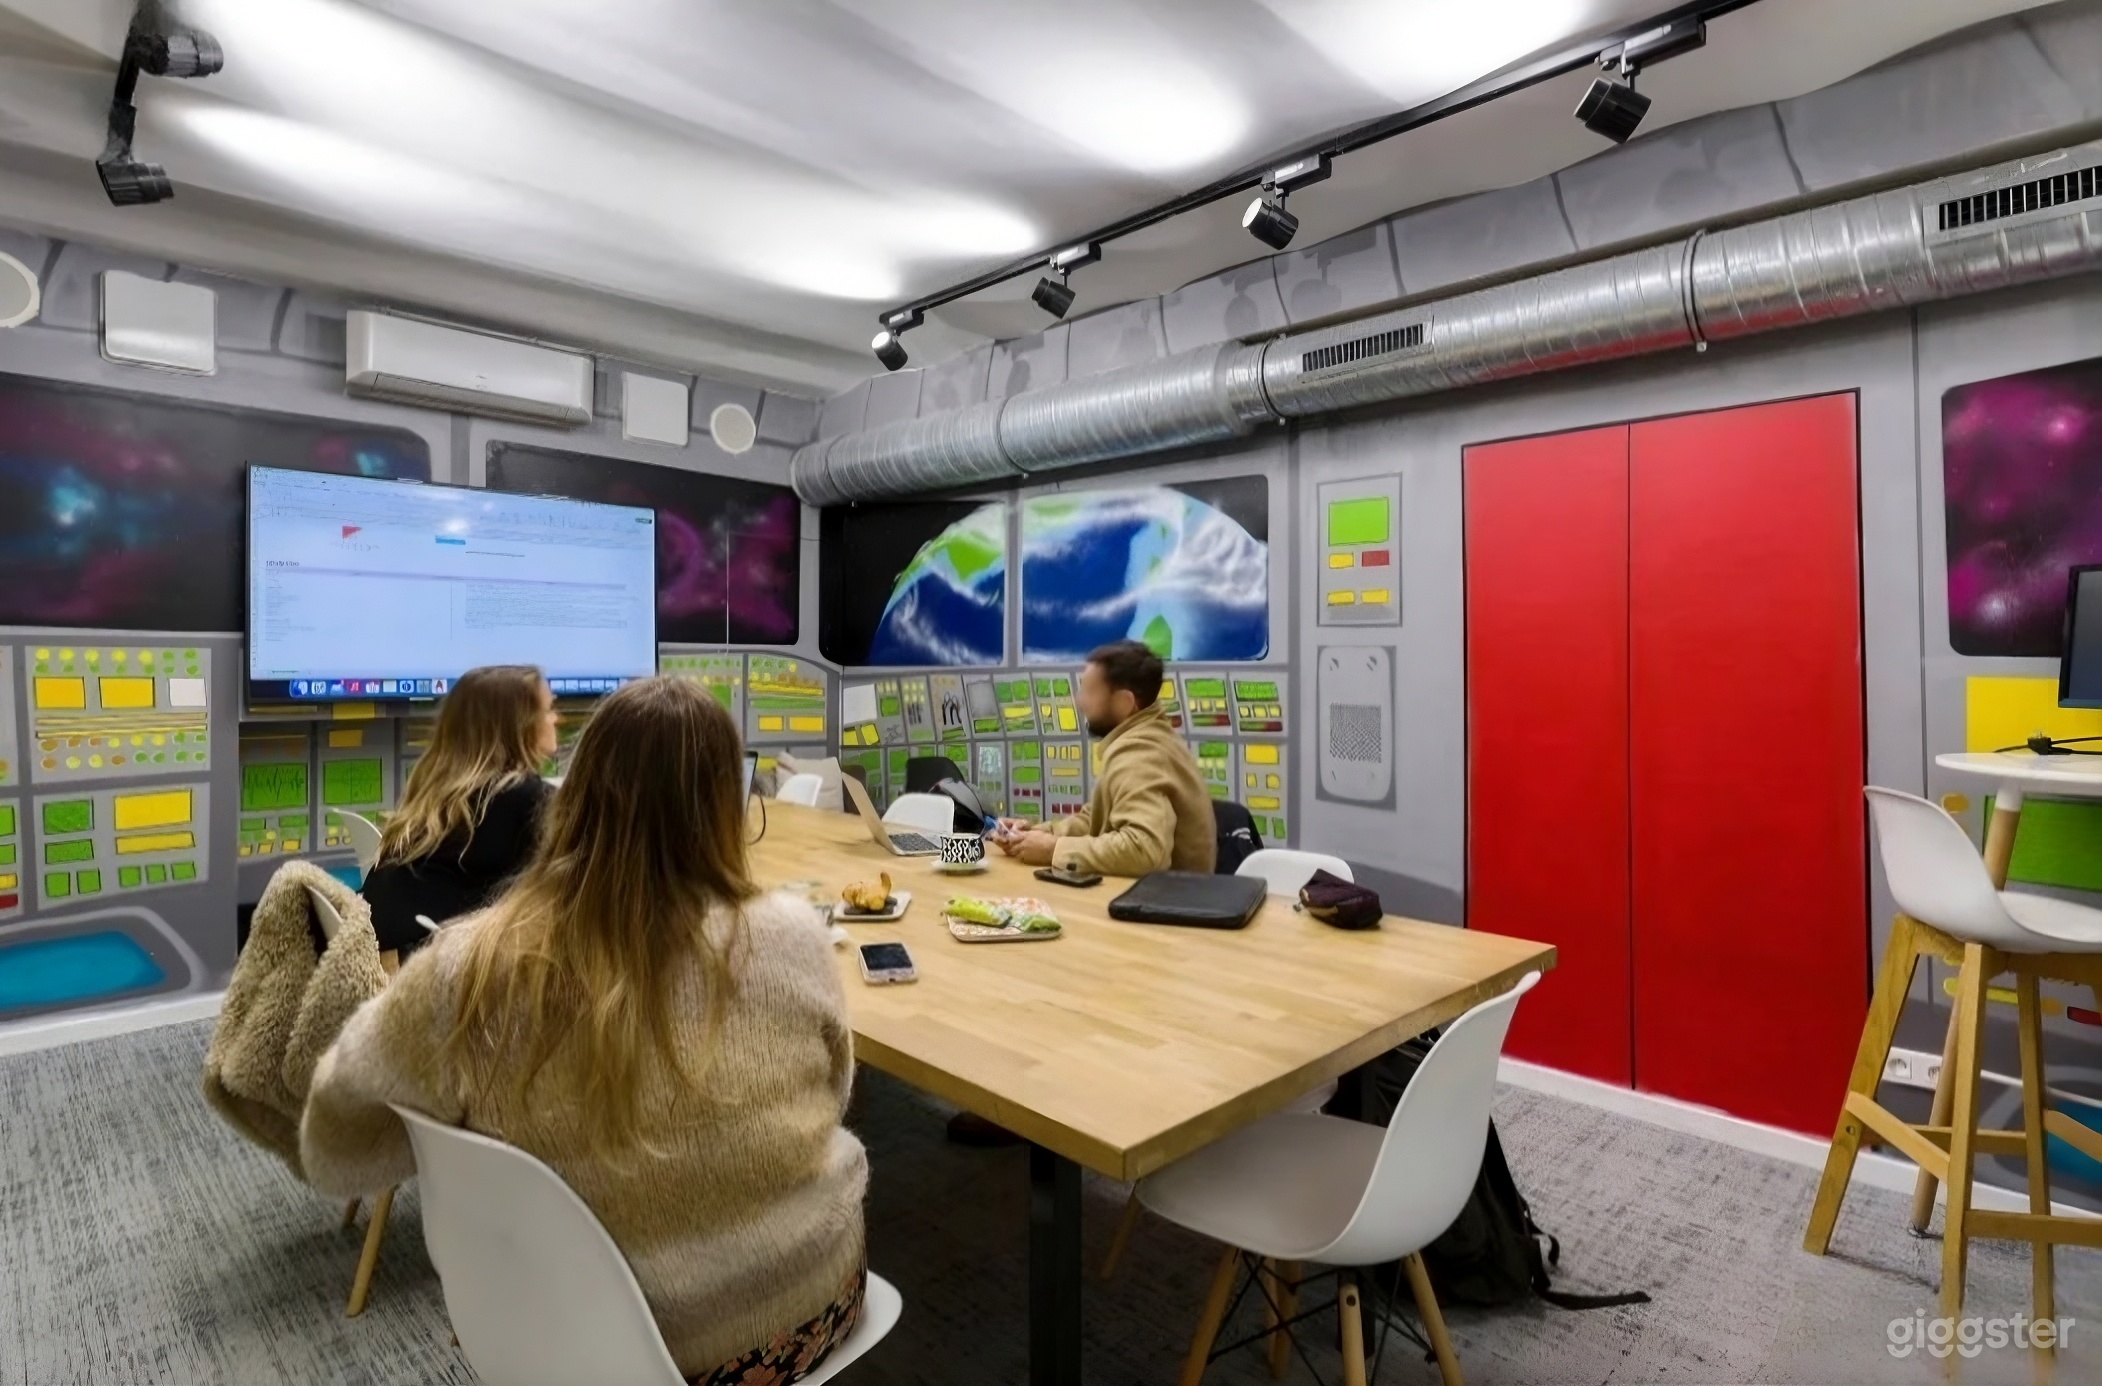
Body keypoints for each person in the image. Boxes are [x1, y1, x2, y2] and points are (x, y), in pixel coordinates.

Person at [302, 677, 868, 1386]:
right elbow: (834, 1091)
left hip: (567, 1337)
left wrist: (451, 1146)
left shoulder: (464, 969)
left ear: (577, 796)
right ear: (724, 807)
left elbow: (332, 1147)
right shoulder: (793, 936)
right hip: (799, 1314)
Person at [359, 665, 557, 958]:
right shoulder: (527, 800)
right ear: (521, 725)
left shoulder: (433, 793)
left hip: (404, 966)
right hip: (453, 973)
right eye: (549, 709)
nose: (556, 718)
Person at [994, 639, 1216, 876]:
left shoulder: (1141, 754)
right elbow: (1097, 818)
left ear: (1124, 702)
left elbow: (1143, 850)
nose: (1079, 702)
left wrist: (1053, 850)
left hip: (1169, 905)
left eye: (1089, 692)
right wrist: (1036, 834)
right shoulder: (1150, 736)